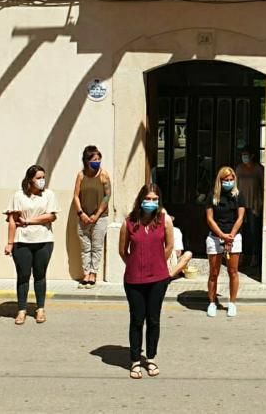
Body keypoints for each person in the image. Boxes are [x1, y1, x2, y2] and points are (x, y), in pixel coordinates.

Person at [119, 183, 174, 379]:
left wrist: (156, 263)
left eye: (154, 200)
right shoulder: (129, 222)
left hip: (158, 279)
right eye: (148, 199)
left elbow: (169, 247)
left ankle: (150, 358)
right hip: (134, 280)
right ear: (140, 200)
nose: (151, 203)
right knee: (136, 320)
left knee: (153, 319)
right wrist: (135, 265)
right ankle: (134, 361)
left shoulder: (164, 221)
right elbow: (122, 250)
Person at [4, 164, 58, 325]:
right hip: (22, 240)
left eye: (43, 177)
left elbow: (51, 216)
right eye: (38, 178)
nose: (42, 181)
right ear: (30, 180)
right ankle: (21, 310)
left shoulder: (49, 195)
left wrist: (29, 220)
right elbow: (13, 220)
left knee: (40, 275)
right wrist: (9, 243)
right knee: (23, 276)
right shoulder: (18, 196)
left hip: (44, 240)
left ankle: (40, 308)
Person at [205, 166, 246, 317]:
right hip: (216, 236)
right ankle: (211, 302)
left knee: (233, 271)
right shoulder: (213, 196)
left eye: (231, 179)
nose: (229, 182)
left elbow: (240, 217)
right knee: (214, 272)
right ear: (220, 181)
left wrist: (231, 236)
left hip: (234, 236)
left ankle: (232, 303)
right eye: (226, 180)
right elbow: (210, 219)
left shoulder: (238, 195)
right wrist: (222, 235)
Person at [73, 145, 112, 288]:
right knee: (85, 247)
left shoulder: (104, 175)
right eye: (94, 159)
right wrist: (81, 213)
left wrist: (97, 215)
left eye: (99, 159)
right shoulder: (81, 175)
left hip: (100, 217)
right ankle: (86, 273)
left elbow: (107, 196)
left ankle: (93, 274)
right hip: (83, 217)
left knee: (96, 247)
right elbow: (76, 196)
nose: (97, 161)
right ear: (86, 160)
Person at [234, 147, 264, 267]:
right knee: (240, 231)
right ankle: (240, 256)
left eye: (246, 155)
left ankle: (254, 256)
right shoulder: (239, 168)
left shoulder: (258, 169)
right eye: (242, 155)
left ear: (252, 155)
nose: (244, 157)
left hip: (253, 204)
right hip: (240, 204)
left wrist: (261, 204)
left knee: (253, 231)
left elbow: (263, 186)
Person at [166, 214, 193, 279]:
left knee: (188, 254)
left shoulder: (176, 231)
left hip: (171, 260)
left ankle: (169, 275)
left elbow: (178, 253)